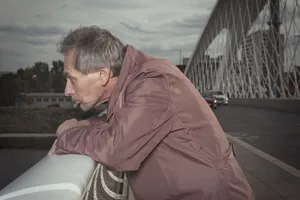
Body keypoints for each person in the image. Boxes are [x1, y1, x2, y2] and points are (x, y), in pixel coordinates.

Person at [49, 26, 254, 200]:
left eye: (72, 79)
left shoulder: (152, 81)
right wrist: (89, 124)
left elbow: (116, 149)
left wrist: (67, 136)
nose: (67, 90)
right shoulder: (133, 79)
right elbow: (126, 124)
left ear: (102, 74)